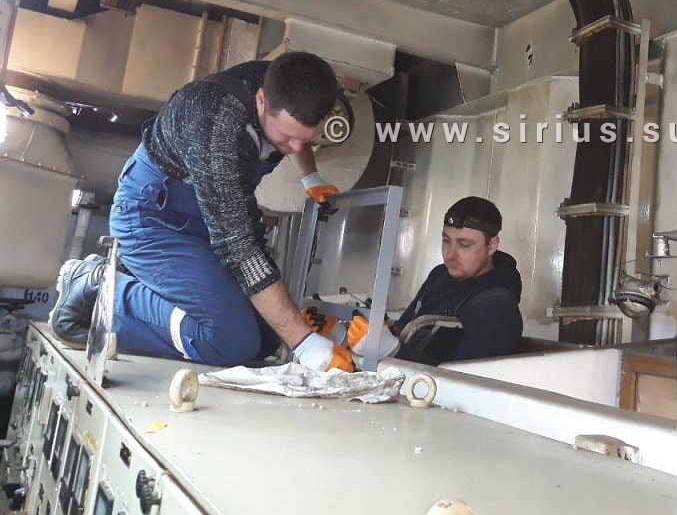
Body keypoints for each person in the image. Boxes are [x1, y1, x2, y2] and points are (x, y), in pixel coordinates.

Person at [48, 52, 354, 372]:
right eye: (286, 138)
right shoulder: (216, 125)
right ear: (262, 100)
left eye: (306, 139)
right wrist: (303, 342)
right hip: (153, 217)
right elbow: (242, 249)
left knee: (266, 338)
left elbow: (297, 135)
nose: (295, 147)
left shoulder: (292, 86)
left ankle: (142, 284)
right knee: (228, 341)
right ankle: (97, 287)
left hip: (202, 218)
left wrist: (310, 178)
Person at [315, 196, 523, 366]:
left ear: (492, 245)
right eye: (446, 240)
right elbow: (402, 330)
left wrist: (392, 350)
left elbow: (466, 383)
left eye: (464, 245)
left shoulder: (498, 307)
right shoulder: (440, 275)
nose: (450, 254)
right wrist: (343, 336)